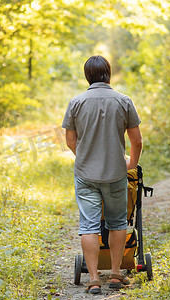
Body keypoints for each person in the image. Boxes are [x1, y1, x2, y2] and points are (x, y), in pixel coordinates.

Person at [62, 55, 142, 294]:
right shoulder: (123, 101)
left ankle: (94, 279)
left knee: (88, 225)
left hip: (85, 174)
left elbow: (70, 141)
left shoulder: (76, 102)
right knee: (118, 222)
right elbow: (137, 141)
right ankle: (116, 274)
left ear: (87, 75)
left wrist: (85, 157)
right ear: (108, 74)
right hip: (115, 174)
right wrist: (131, 164)